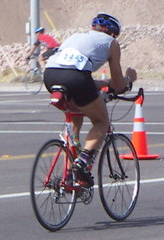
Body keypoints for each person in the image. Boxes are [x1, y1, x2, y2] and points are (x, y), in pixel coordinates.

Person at [44, 13, 137, 186]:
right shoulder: (112, 43)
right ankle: (82, 161)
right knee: (101, 121)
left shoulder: (75, 37)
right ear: (113, 33)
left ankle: (71, 175)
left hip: (50, 76)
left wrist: (103, 83)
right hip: (77, 78)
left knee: (75, 118)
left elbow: (72, 72)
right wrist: (129, 79)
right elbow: (118, 85)